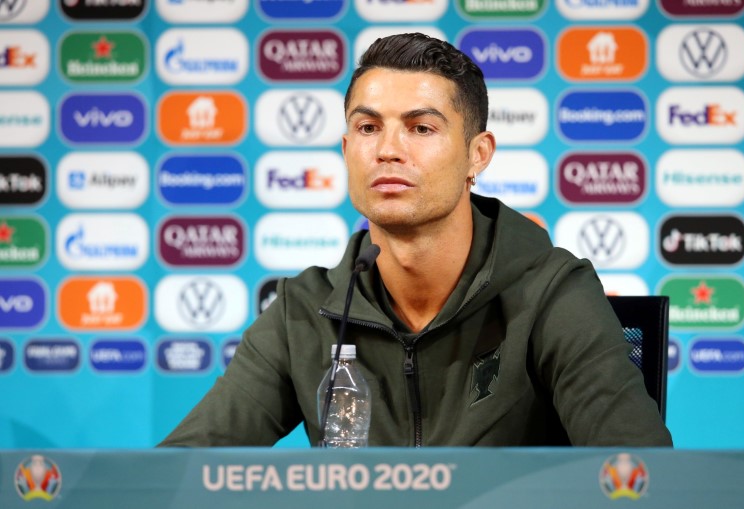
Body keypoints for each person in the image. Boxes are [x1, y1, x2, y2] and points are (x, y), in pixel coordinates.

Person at [159, 33, 672, 447]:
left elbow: (640, 481)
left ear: (478, 155)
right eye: (367, 128)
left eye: (421, 129)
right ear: (345, 148)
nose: (387, 150)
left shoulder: (552, 293)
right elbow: (181, 471)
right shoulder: (305, 312)